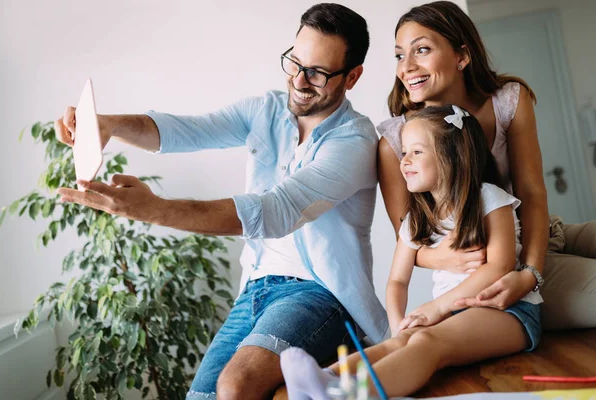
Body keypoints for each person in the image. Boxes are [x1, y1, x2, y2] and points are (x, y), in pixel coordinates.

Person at [54, 4, 389, 399]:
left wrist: (154, 210)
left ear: (352, 76)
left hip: (320, 295)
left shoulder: (354, 140)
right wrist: (109, 124)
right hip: (255, 289)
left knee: (235, 386)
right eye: (294, 62)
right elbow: (187, 131)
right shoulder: (265, 110)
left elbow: (275, 211)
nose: (298, 80)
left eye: (316, 72)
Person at [280, 105, 543, 399]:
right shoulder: (416, 219)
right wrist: (398, 327)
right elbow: (397, 282)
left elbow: (500, 266)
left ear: (453, 155)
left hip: (506, 310)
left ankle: (348, 394)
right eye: (404, 152)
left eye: (416, 152)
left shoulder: (489, 198)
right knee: (398, 343)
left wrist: (438, 308)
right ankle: (322, 380)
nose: (404, 161)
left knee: (426, 341)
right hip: (452, 315)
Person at [376, 0, 596, 330]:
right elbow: (408, 240)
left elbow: (532, 194)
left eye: (420, 50)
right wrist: (450, 259)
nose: (405, 66)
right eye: (399, 55)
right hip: (498, 264)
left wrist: (531, 273)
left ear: (462, 56)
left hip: (543, 234)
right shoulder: (396, 143)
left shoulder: (508, 100)